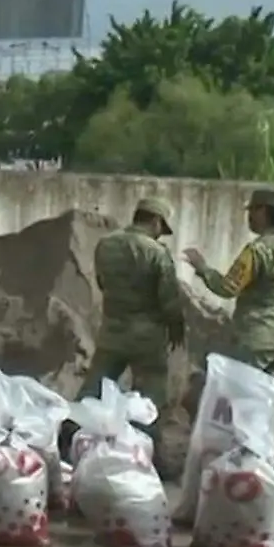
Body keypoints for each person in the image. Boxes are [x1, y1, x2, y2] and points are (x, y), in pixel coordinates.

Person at [184, 189, 274, 481]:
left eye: (253, 211)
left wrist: (202, 268)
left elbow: (228, 287)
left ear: (264, 212)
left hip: (255, 334)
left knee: (242, 395)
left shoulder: (257, 251)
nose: (250, 216)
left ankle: (244, 455)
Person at [66, 198, 184, 465]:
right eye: (160, 227)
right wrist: (176, 328)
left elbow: (102, 283)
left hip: (113, 330)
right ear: (155, 221)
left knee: (94, 386)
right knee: (151, 397)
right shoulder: (157, 252)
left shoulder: (106, 244)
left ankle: (69, 436)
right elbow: (169, 300)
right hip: (148, 337)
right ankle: (145, 454)